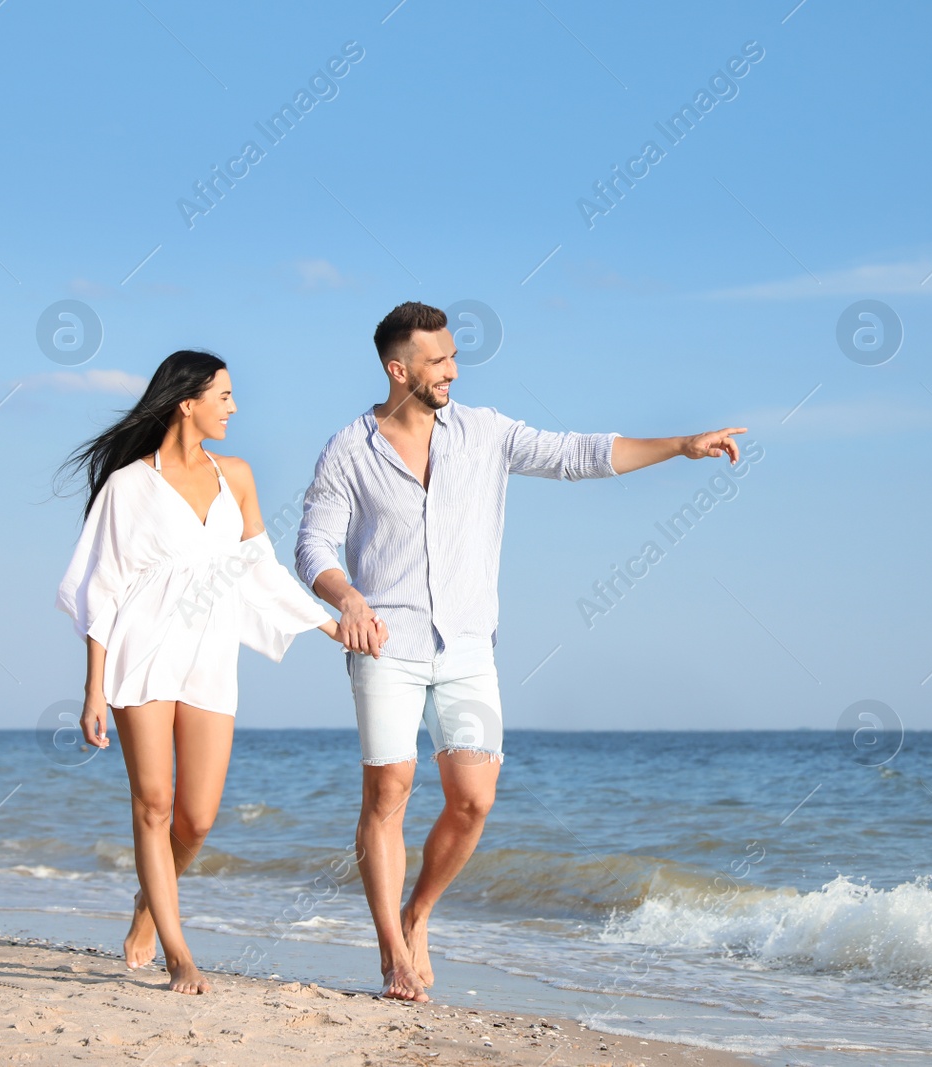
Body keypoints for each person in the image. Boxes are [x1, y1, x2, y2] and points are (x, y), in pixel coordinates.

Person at [295, 301, 746, 1001]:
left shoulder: (486, 433)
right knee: (388, 791)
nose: (452, 369)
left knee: (473, 800)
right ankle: (391, 952)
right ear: (398, 368)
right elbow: (313, 544)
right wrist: (347, 598)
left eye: (452, 356)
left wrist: (681, 444)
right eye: (438, 359)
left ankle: (418, 912)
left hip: (469, 646)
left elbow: (579, 455)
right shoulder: (349, 450)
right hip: (388, 646)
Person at [57, 350, 353, 994]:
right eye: (224, 395)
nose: (235, 406)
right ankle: (177, 951)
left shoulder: (237, 475)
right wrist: (92, 690)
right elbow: (101, 590)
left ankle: (147, 900)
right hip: (142, 651)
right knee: (154, 805)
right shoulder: (128, 486)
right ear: (187, 402)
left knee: (197, 819)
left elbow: (259, 570)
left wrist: (330, 624)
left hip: (211, 652)